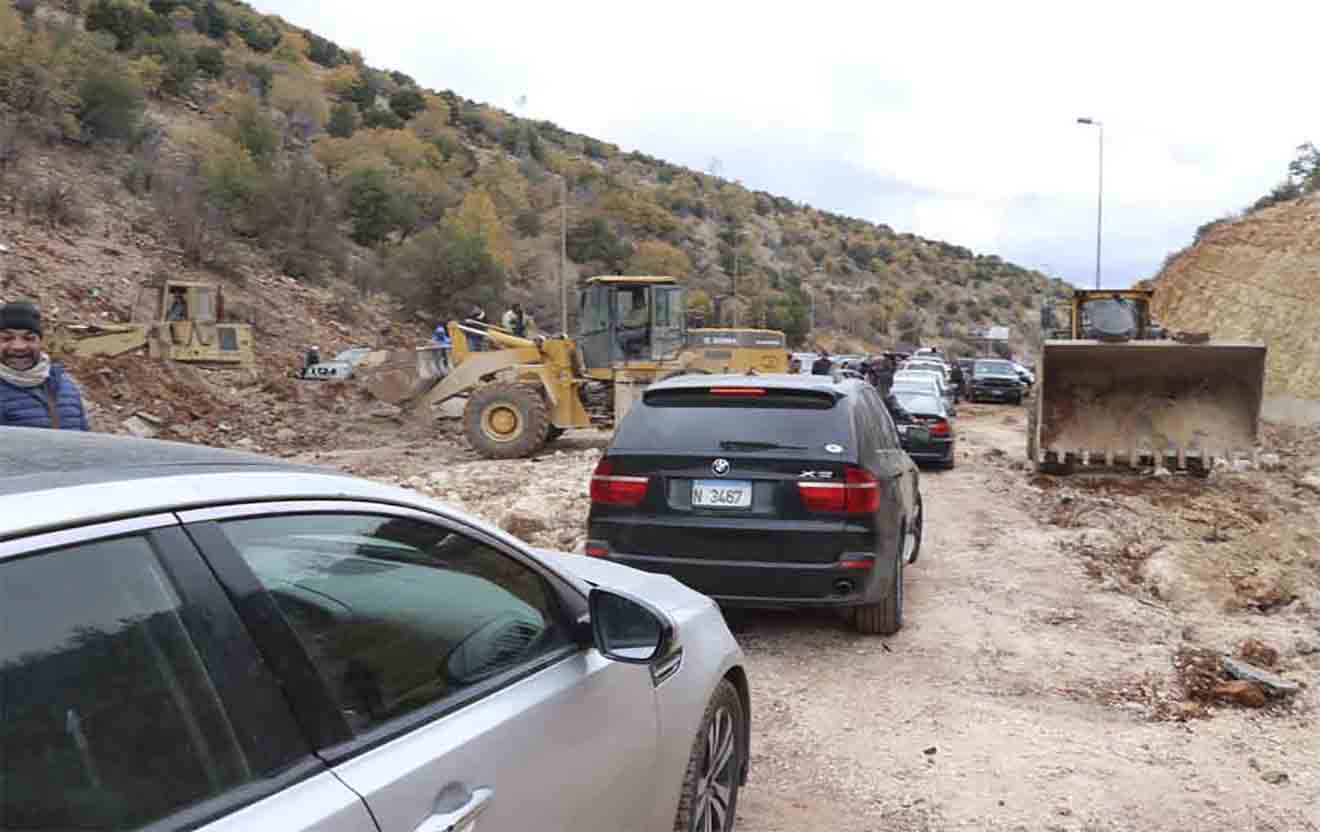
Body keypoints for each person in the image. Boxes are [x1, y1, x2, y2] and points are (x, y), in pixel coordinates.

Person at [0, 300, 90, 430]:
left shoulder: (65, 386)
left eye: (29, 338)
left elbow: (84, 439)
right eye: (7, 338)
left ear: (40, 342)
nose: (18, 347)